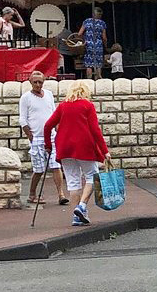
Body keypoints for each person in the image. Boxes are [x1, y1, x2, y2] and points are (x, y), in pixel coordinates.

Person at [43, 81, 110, 227]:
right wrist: (104, 150)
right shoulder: (88, 106)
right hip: (84, 146)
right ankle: (82, 206)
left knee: (73, 181)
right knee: (92, 176)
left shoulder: (62, 106)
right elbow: (95, 130)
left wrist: (48, 145)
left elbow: (47, 126)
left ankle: (77, 217)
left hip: (65, 147)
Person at [20, 70, 65, 205]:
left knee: (56, 166)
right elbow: (23, 119)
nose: (38, 85)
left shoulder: (49, 95)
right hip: (37, 137)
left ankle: (61, 194)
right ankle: (32, 193)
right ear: (30, 82)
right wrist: (30, 136)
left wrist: (57, 130)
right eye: (35, 82)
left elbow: (54, 113)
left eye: (40, 82)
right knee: (39, 170)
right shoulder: (26, 98)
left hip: (51, 136)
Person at [74, 7, 109, 80]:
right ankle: (98, 78)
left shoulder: (87, 21)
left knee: (89, 64)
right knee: (98, 63)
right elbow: (104, 37)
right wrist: (105, 46)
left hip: (88, 44)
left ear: (93, 14)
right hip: (98, 45)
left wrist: (84, 39)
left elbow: (79, 34)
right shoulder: (102, 23)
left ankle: (89, 79)